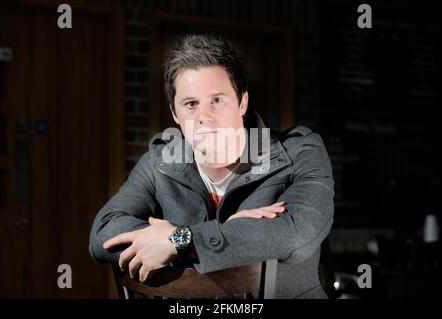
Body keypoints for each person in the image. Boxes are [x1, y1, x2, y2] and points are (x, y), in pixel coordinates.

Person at [89, 34, 334, 298]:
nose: (204, 117)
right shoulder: (158, 163)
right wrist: (233, 235)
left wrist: (180, 240)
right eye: (191, 104)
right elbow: (103, 234)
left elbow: (295, 235)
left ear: (242, 102)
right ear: (175, 113)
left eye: (217, 100)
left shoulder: (300, 152)